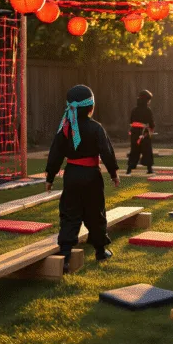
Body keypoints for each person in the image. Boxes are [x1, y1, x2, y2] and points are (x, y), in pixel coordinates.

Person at [45, 85, 120, 272]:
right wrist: (113, 173)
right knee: (95, 212)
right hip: (92, 176)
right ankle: (100, 251)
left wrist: (50, 177)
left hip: (72, 175)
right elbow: (107, 152)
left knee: (70, 213)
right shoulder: (96, 128)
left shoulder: (65, 129)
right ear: (91, 107)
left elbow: (55, 153)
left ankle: (65, 255)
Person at [126, 89, 155, 175]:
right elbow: (151, 122)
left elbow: (131, 121)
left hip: (134, 132)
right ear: (146, 100)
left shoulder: (134, 110)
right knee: (147, 150)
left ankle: (129, 169)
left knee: (134, 150)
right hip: (143, 133)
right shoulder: (148, 110)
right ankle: (149, 169)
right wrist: (151, 129)